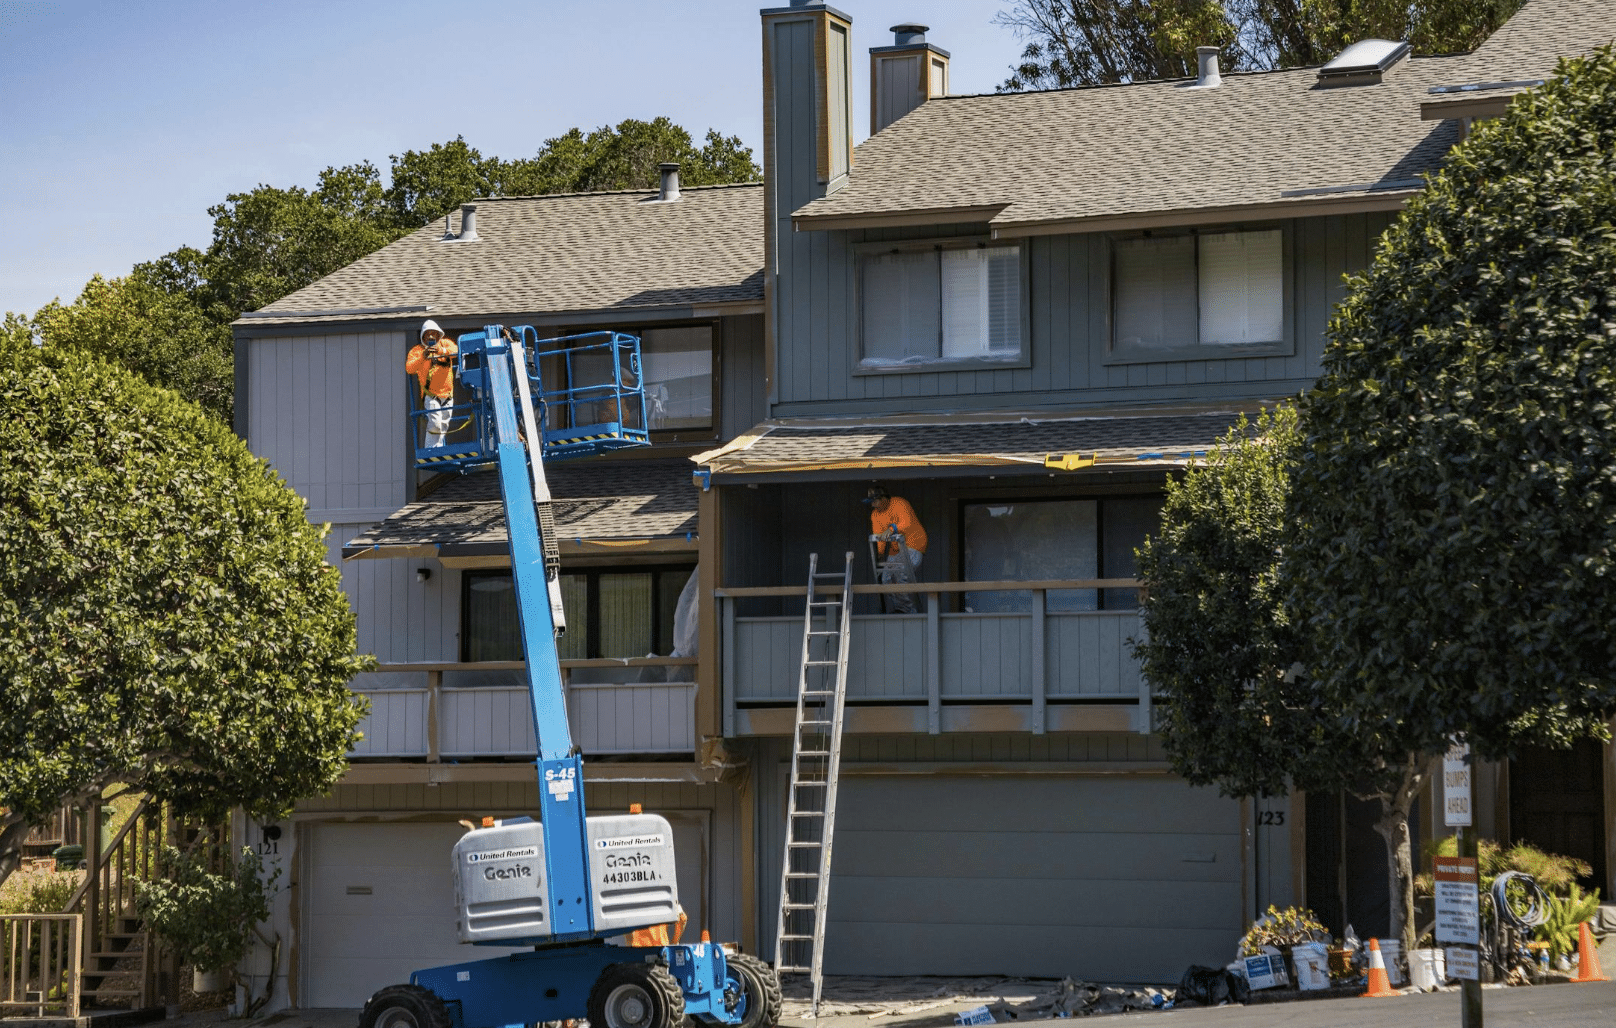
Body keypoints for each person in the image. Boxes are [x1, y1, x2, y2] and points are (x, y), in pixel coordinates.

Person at [865, 486, 927, 613]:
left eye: (875, 501)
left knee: (900, 574)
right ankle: (902, 608)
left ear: (883, 499)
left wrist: (892, 529)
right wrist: (880, 554)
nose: (873, 505)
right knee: (886, 578)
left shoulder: (899, 503)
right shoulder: (875, 515)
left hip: (913, 545)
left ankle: (909, 610)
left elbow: (907, 523)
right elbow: (879, 536)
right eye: (871, 502)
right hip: (896, 550)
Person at [406, 320, 459, 448]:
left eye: (433, 333)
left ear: (438, 334)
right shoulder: (417, 351)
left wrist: (441, 350)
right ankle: (430, 450)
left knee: (444, 425)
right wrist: (423, 356)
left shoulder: (445, 344)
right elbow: (409, 368)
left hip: (447, 396)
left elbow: (456, 351)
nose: (430, 337)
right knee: (435, 423)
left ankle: (438, 449)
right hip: (431, 395)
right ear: (423, 336)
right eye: (427, 334)